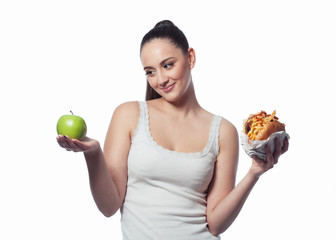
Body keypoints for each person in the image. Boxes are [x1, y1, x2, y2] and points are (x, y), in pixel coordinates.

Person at [56, 20, 289, 240]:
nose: (161, 79)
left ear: (190, 58)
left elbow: (216, 223)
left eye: (168, 65)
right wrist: (93, 153)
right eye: (150, 71)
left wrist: (254, 173)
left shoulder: (222, 131)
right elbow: (109, 207)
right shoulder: (128, 115)